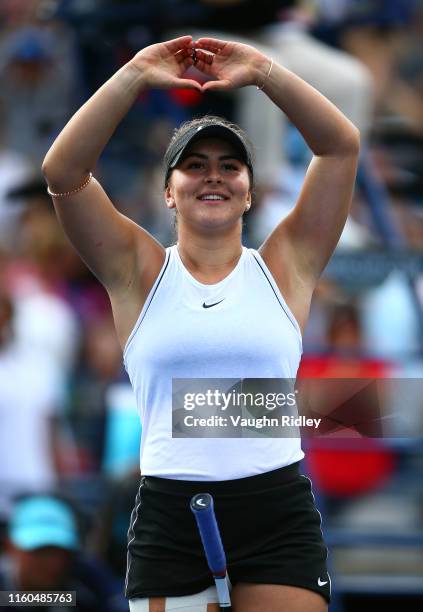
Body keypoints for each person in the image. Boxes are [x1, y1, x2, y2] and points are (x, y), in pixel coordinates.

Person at [42, 35, 360, 612]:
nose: (213, 176)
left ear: (248, 194)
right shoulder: (136, 270)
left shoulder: (287, 264)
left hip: (276, 511)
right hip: (173, 511)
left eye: (229, 167)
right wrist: (134, 74)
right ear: (169, 191)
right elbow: (64, 172)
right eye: (194, 166)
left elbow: (340, 147)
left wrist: (263, 71)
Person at [0, 494, 128, 611]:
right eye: (40, 551)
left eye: (60, 551)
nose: (52, 563)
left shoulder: (88, 580)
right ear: (10, 546)